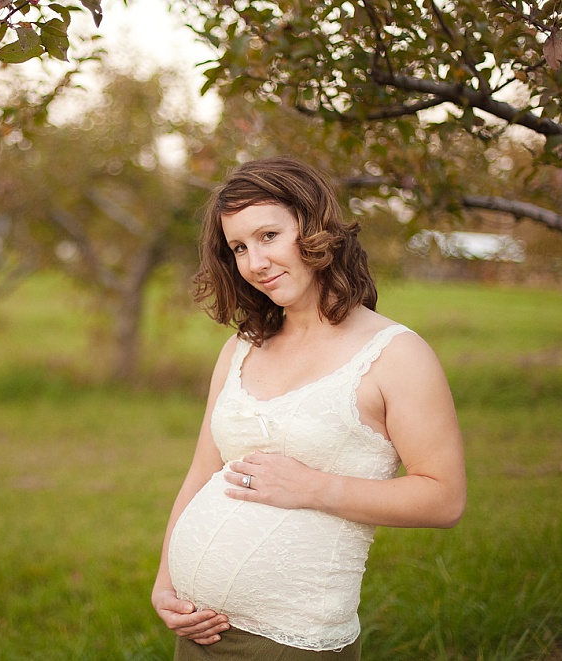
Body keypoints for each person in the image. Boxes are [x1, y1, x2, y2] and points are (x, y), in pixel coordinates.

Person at [151, 156, 466, 660]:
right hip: (198, 631)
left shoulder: (396, 355)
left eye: (269, 235)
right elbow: (202, 473)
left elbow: (444, 498)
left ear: (313, 228)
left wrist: (317, 488)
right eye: (239, 247)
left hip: (294, 642)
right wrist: (166, 582)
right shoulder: (241, 348)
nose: (255, 262)